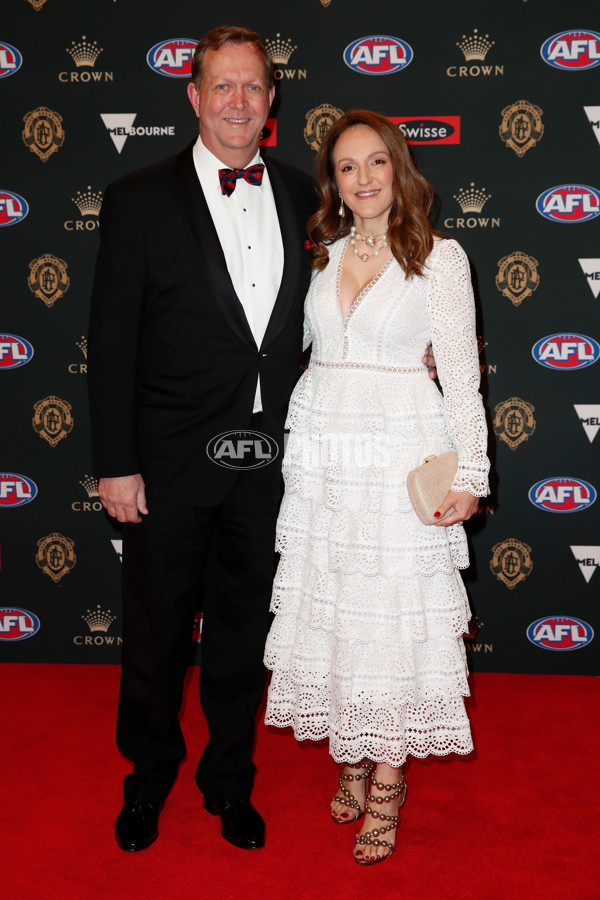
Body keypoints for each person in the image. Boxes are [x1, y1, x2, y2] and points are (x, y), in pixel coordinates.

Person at [87, 26, 317, 852]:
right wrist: (116, 464)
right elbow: (111, 342)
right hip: (170, 464)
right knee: (154, 637)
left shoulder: (300, 192)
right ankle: (147, 780)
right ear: (193, 96)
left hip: (271, 465)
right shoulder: (138, 197)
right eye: (222, 86)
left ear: (271, 99)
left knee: (240, 634)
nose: (238, 103)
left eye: (252, 87)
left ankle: (229, 782)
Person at [263, 110, 490, 865]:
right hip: (326, 452)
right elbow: (280, 349)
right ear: (332, 180)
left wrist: (473, 471)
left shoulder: (440, 258)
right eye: (345, 167)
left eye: (375, 164)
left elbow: (460, 378)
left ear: (400, 169)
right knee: (337, 606)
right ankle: (353, 751)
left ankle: (387, 782)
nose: (361, 179)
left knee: (393, 615)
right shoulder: (320, 254)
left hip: (400, 451)